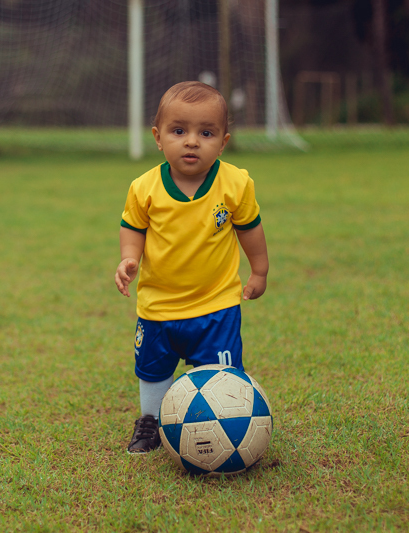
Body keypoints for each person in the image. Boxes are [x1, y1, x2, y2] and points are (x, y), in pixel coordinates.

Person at [114, 81, 269, 454]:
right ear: (158, 136)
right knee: (153, 370)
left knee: (221, 380)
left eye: (206, 133)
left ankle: (226, 429)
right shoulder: (144, 187)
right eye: (179, 131)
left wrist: (259, 270)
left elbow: (250, 229)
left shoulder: (236, 183)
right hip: (158, 306)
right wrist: (128, 258)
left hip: (216, 305)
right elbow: (132, 228)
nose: (192, 141)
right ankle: (150, 421)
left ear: (223, 141)